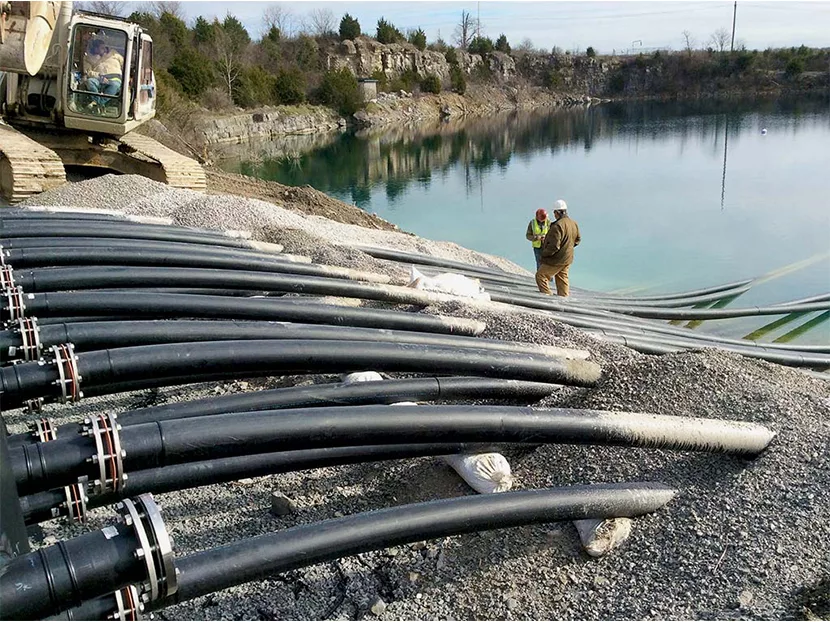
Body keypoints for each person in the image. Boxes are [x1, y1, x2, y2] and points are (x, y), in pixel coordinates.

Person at [535, 199, 581, 297]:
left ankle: (548, 299)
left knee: (540, 276)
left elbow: (554, 246)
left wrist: (543, 254)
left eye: (554, 213)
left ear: (557, 212)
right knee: (562, 279)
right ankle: (564, 300)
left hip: (557, 260)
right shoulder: (573, 223)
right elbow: (577, 240)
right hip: (567, 259)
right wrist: (567, 248)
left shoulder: (557, 226)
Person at [82, 39, 124, 107]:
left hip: (114, 78)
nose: (104, 49)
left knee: (115, 85)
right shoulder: (88, 58)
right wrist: (99, 76)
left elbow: (124, 64)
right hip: (99, 78)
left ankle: (98, 103)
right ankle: (98, 102)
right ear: (94, 48)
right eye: (101, 48)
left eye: (104, 47)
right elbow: (88, 72)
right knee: (89, 82)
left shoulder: (113, 53)